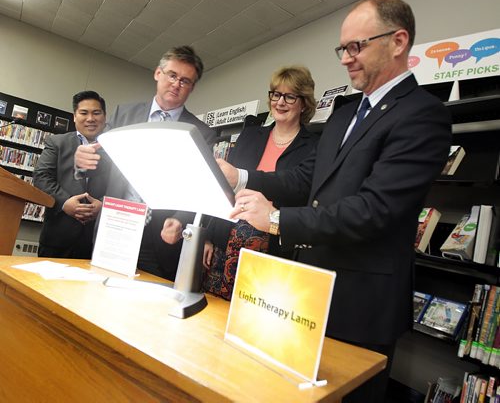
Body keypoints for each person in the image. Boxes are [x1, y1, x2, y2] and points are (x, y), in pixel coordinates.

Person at [217, 0, 452, 403]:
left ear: (398, 42)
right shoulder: (343, 115)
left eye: (356, 46)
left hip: (362, 301)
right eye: (342, 48)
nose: (345, 58)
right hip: (307, 290)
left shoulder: (422, 114)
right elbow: (308, 182)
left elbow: (374, 209)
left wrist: (276, 221)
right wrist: (243, 178)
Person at [74, 46, 216, 280]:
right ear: (157, 73)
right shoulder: (125, 114)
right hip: (116, 226)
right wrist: (83, 161)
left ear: (192, 87)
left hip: (161, 236)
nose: (176, 84)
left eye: (185, 80)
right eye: (172, 75)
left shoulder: (201, 133)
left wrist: (180, 219)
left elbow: (199, 185)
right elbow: (103, 161)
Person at [203, 65, 319, 299]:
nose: (280, 102)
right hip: (227, 236)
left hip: (272, 244)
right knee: (212, 310)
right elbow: (225, 188)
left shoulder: (315, 145)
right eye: (275, 94)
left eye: (290, 96)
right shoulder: (250, 136)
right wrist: (208, 235)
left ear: (304, 103)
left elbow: (301, 191)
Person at [34, 90, 110, 259]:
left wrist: (103, 206)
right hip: (57, 237)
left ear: (104, 117)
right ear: (75, 116)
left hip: (98, 242)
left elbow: (123, 187)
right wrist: (65, 202)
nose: (90, 118)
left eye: (96, 113)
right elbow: (41, 176)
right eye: (84, 113)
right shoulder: (57, 142)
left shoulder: (116, 149)